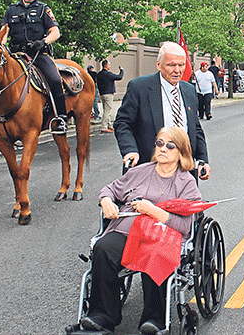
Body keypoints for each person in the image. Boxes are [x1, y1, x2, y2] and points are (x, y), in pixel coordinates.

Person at [80, 127, 201, 335]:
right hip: (128, 229)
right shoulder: (140, 172)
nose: (163, 148)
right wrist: (106, 201)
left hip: (161, 235)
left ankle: (154, 318)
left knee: (155, 254)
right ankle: (102, 315)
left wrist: (152, 210)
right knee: (103, 248)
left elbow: (185, 225)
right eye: (159, 143)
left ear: (182, 152)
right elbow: (110, 189)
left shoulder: (186, 182)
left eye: (170, 145)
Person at [114, 42, 210, 179]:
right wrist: (130, 150)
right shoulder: (139, 88)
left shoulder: (189, 90)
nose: (177, 70)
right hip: (149, 169)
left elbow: (195, 128)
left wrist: (202, 160)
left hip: (184, 170)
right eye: (171, 65)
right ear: (158, 65)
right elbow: (122, 123)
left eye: (181, 65)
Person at [1, 0, 67, 134]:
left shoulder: (43, 9)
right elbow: (3, 33)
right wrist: (1, 47)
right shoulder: (11, 10)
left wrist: (43, 42)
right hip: (16, 55)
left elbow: (55, 32)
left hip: (38, 54)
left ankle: (61, 118)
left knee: (54, 79)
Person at [97, 60, 124, 133]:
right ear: (106, 66)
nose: (110, 66)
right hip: (108, 94)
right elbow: (119, 77)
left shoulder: (99, 74)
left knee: (105, 110)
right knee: (107, 111)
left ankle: (109, 126)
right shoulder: (108, 74)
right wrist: (121, 70)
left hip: (102, 94)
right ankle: (104, 127)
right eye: (109, 65)